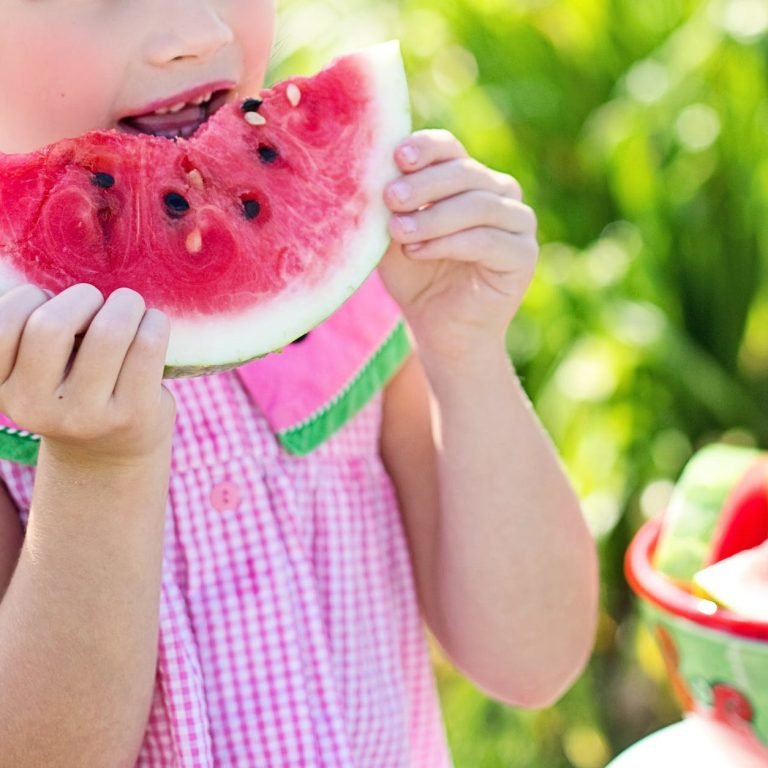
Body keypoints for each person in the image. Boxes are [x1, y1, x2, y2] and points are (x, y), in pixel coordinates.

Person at [0, 1, 598, 765]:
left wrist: (466, 351)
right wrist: (97, 473)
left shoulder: (357, 298)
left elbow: (534, 658)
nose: (200, 34)